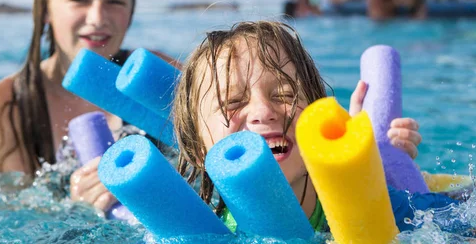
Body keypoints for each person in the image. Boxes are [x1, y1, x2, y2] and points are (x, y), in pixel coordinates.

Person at [173, 20, 456, 233]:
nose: (263, 112)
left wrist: (379, 167)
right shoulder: (212, 237)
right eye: (233, 102)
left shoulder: (373, 202)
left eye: (284, 94)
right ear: (198, 150)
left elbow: (474, 234)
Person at [0, 0, 178, 212]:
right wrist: (77, 209)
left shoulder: (160, 77)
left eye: (115, 1)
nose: (97, 18)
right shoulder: (7, 104)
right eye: (80, 0)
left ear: (131, 10)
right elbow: (20, 215)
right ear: (46, 8)